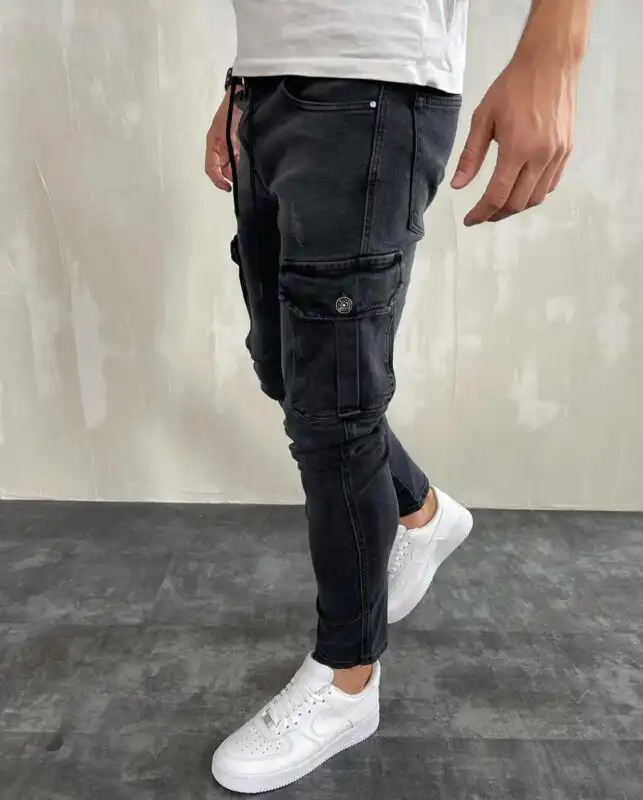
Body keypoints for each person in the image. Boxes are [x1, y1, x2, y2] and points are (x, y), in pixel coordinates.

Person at [205, 0, 592, 793]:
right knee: (284, 370)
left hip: (372, 83)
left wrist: (554, 52)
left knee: (332, 408)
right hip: (267, 84)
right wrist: (247, 79)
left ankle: (347, 680)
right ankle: (420, 511)